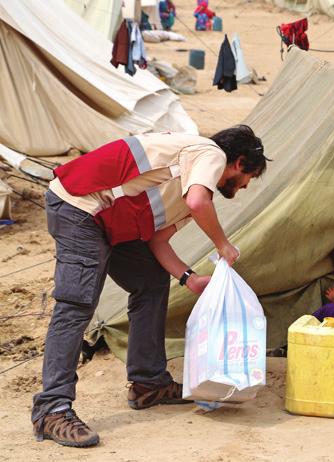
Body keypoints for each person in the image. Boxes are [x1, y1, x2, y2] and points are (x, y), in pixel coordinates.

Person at [32, 126, 268, 448]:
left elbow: (158, 241)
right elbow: (199, 202)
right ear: (239, 162)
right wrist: (223, 244)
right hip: (80, 207)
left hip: (107, 221)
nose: (241, 188)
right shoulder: (210, 154)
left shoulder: (188, 184)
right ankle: (52, 409)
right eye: (247, 180)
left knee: (152, 282)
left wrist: (189, 278)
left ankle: (149, 383)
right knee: (77, 305)